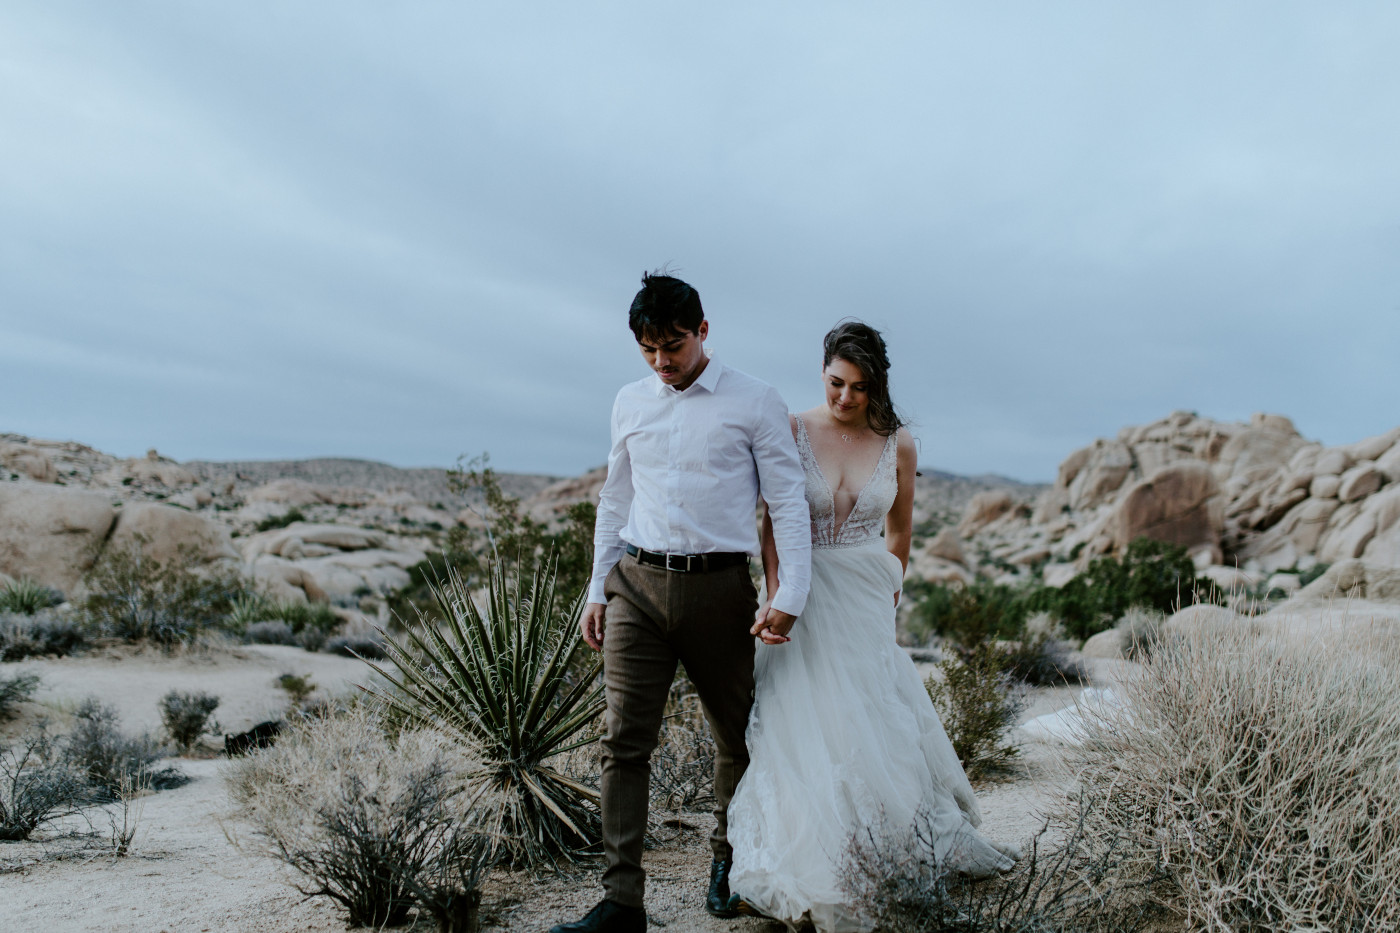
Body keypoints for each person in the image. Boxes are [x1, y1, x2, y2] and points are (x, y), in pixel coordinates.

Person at [726, 320, 1018, 933]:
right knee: (800, 721)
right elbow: (775, 523)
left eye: (859, 387)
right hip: (800, 598)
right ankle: (809, 861)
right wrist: (779, 594)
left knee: (870, 720)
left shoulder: (900, 444)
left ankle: (874, 854)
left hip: (863, 600)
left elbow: (901, 531)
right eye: (836, 383)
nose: (845, 398)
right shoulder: (794, 429)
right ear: (823, 375)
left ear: (876, 385)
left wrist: (891, 592)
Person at [551, 273, 813, 933]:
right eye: (648, 349)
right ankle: (621, 902)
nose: (663, 361)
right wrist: (596, 585)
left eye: (672, 344)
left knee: (738, 737)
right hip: (635, 585)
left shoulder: (756, 401)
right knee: (622, 742)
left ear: (703, 330)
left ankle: (731, 866)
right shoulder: (629, 401)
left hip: (720, 590)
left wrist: (792, 592)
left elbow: (786, 502)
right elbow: (615, 496)